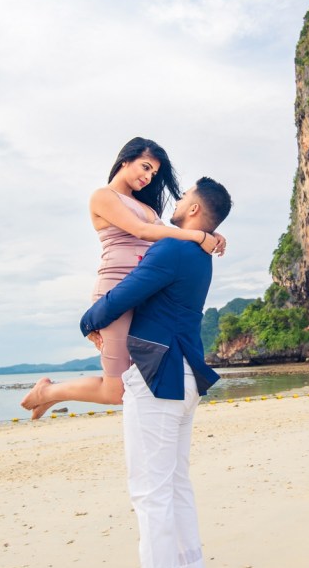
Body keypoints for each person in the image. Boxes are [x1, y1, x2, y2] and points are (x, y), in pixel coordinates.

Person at [79, 176, 232, 568]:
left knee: (151, 495)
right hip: (183, 378)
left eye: (183, 197)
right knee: (174, 487)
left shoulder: (173, 251)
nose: (176, 202)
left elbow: (123, 296)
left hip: (157, 377)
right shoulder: (200, 256)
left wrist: (87, 321)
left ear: (192, 209)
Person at [21, 139, 225, 419]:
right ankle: (48, 393)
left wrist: (210, 233)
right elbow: (142, 231)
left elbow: (170, 235)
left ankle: (50, 394)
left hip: (141, 296)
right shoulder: (103, 196)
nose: (148, 176)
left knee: (132, 381)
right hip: (114, 292)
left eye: (153, 173)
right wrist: (199, 236)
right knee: (116, 390)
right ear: (124, 160)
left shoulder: (148, 208)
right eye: (145, 166)